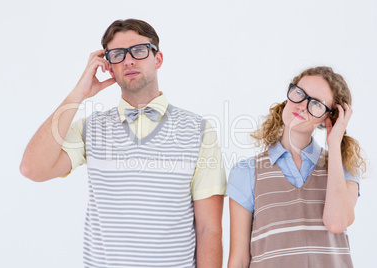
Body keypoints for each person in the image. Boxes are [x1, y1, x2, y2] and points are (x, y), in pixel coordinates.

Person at [20, 19, 226, 268]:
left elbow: (209, 229)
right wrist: (79, 94)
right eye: (117, 54)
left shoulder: (199, 130)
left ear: (157, 59)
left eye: (139, 50)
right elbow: (32, 168)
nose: (128, 60)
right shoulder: (90, 129)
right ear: (108, 66)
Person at [227, 66, 366, 268]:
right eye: (299, 93)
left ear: (329, 117)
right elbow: (239, 260)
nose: (302, 105)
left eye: (316, 103)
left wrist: (334, 144)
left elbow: (336, 223)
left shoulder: (343, 169)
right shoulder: (246, 172)